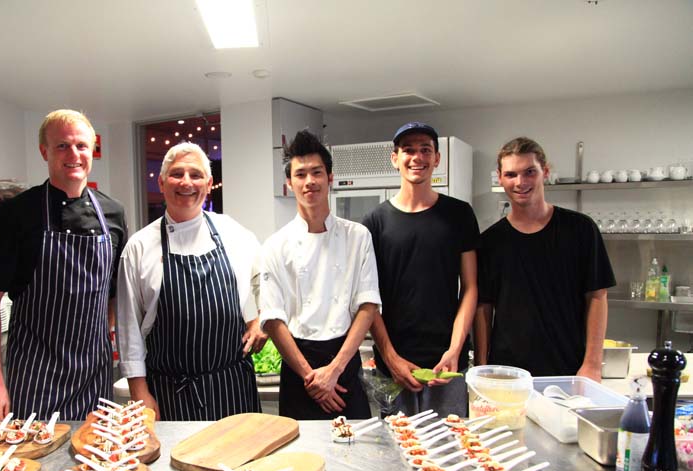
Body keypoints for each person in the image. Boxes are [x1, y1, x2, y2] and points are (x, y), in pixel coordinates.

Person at [0, 109, 127, 420]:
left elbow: (112, 294)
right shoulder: (14, 215)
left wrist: (107, 341)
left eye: (82, 146)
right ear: (44, 151)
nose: (74, 154)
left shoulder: (113, 213)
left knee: (95, 459)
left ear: (92, 151)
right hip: (35, 376)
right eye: (62, 146)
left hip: (94, 377)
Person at [117, 142, 265, 420]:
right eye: (177, 174)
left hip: (233, 388)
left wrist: (260, 320)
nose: (187, 182)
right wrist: (139, 393)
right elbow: (128, 328)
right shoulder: (139, 247)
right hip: (171, 393)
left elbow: (268, 278)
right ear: (161, 183)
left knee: (243, 462)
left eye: (196, 175)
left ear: (209, 184)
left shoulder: (233, 232)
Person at [259, 130, 381, 420]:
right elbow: (274, 321)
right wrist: (314, 380)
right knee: (300, 458)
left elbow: (368, 306)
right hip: (299, 370)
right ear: (289, 183)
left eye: (317, 172)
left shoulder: (358, 236)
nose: (309, 181)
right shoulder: (275, 245)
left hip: (344, 363)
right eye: (300, 174)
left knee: (357, 454)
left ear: (330, 177)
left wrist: (335, 371)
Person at [362, 122, 480, 417]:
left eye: (425, 150)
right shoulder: (375, 222)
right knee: (395, 453)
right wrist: (391, 358)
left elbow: (470, 287)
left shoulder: (459, 214)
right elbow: (368, 299)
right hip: (392, 367)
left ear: (437, 158)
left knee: (451, 451)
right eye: (408, 150)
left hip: (447, 365)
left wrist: (455, 350)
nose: (417, 157)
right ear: (395, 158)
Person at [474, 136, 615, 378]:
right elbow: (483, 308)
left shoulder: (580, 229)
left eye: (530, 172)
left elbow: (597, 297)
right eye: (511, 175)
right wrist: (482, 367)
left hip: (569, 370)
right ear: (500, 177)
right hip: (508, 374)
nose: (520, 182)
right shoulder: (490, 241)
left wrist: (592, 363)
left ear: (545, 172)